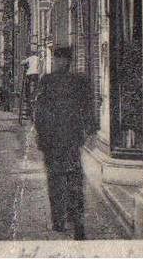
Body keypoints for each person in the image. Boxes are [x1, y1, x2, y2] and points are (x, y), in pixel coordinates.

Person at [34, 46, 97, 240]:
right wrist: (89, 131)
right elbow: (88, 109)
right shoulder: (80, 81)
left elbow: (39, 112)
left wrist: (40, 136)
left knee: (56, 181)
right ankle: (76, 220)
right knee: (73, 179)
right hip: (70, 140)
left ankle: (59, 221)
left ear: (61, 61)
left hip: (54, 141)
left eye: (57, 59)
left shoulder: (47, 81)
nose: (57, 62)